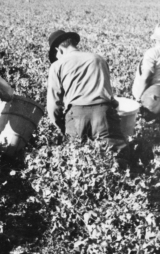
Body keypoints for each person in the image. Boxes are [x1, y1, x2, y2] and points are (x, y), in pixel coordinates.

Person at [46, 29, 129, 161]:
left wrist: (63, 127)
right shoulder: (98, 59)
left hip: (75, 117)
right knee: (115, 158)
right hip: (103, 115)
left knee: (76, 160)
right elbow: (108, 94)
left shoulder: (57, 66)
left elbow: (53, 106)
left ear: (59, 50)